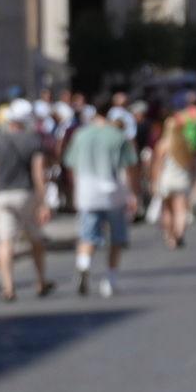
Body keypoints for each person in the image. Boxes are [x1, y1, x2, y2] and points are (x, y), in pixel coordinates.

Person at [0, 98, 54, 304]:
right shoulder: (33, 140)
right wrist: (43, 201)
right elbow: (38, 172)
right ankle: (41, 280)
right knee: (35, 239)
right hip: (26, 194)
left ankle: (7, 286)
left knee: (5, 242)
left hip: (2, 194)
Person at [65, 106, 136, 298]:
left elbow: (71, 165)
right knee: (116, 237)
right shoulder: (117, 136)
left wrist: (74, 191)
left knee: (87, 234)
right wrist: (132, 194)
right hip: (112, 191)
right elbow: (127, 168)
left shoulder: (80, 135)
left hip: (87, 191)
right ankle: (110, 281)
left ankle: (83, 265)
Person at [149, 96, 196, 249]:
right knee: (181, 209)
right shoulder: (186, 143)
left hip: (166, 179)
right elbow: (192, 164)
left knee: (167, 209)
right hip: (182, 179)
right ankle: (179, 234)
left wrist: (154, 181)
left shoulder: (162, 144)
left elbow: (157, 165)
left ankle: (170, 237)